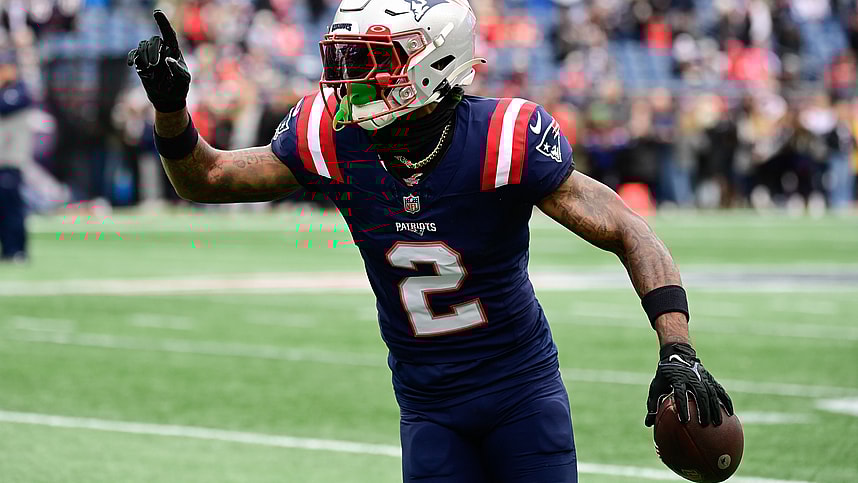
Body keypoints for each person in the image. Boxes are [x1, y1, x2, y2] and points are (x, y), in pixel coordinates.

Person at [127, 3, 734, 481]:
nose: (351, 78)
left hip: (519, 393)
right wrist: (172, 112)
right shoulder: (331, 136)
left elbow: (629, 228)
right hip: (427, 405)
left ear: (432, 65)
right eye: (347, 58)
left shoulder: (501, 138)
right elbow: (205, 179)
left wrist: (676, 347)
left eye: (371, 59)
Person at [0, 51, 33, 263]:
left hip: (11, 159)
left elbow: (4, 106)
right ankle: (7, 250)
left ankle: (18, 250)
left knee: (12, 208)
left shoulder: (19, 92)